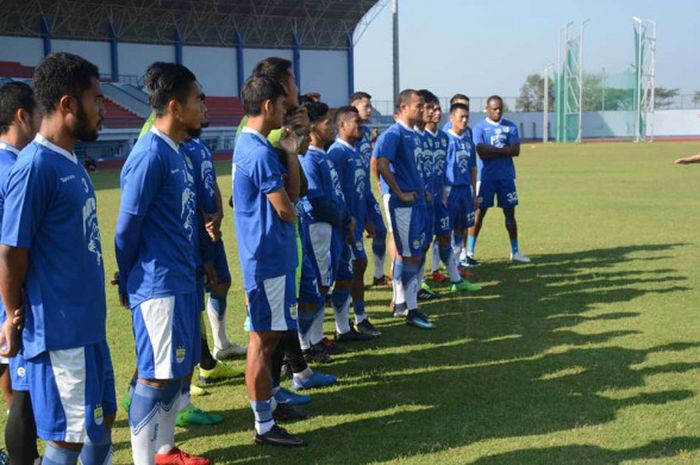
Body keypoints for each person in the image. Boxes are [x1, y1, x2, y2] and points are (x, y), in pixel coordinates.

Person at [0, 52, 116, 465]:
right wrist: (12, 314)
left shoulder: (69, 160)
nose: (103, 109)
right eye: (96, 100)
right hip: (60, 331)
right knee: (67, 440)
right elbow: (12, 250)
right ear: (67, 104)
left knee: (101, 426)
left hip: (89, 325)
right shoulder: (34, 166)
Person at [115, 62, 210, 465]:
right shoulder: (149, 155)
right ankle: (143, 460)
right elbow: (126, 229)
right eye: (197, 100)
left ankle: (166, 451)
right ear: (175, 106)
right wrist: (129, 278)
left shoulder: (177, 152)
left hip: (182, 280)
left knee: (174, 372)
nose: (204, 106)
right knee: (153, 375)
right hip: (158, 284)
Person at [233, 75, 305, 447]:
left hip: (273, 258)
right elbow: (286, 209)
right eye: (280, 106)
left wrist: (291, 152)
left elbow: (289, 195)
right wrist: (291, 209)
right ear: (267, 107)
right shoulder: (256, 151)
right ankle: (263, 425)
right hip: (265, 260)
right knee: (262, 341)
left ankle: (268, 412)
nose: (284, 113)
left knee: (271, 337)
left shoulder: (259, 146)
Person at [0, 81, 42, 465]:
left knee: (11, 379)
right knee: (25, 390)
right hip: (9, 294)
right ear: (22, 116)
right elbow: (12, 247)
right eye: (39, 112)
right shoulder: (17, 168)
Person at [297, 100, 359, 355]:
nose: (332, 127)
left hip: (333, 228)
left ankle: (317, 337)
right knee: (318, 285)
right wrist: (343, 219)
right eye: (326, 123)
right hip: (319, 227)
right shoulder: (309, 158)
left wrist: (347, 219)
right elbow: (318, 201)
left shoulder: (325, 156)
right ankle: (306, 343)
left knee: (327, 281)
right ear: (312, 127)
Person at [373, 89, 435, 329]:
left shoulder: (414, 135)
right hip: (404, 205)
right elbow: (381, 164)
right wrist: (398, 192)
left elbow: (412, 167)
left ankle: (401, 303)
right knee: (410, 255)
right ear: (404, 107)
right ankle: (411, 309)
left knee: (414, 253)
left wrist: (422, 189)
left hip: (417, 202)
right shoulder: (394, 134)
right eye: (418, 105)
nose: (422, 109)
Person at [328, 106, 381, 338]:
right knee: (351, 270)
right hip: (344, 226)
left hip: (357, 223)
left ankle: (353, 321)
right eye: (355, 123)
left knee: (357, 267)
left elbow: (362, 189)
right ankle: (350, 322)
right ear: (342, 126)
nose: (360, 126)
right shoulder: (337, 154)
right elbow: (335, 193)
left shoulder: (355, 153)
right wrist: (345, 224)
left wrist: (367, 218)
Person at [419, 91, 479, 293]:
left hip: (452, 193)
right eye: (432, 109)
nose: (436, 113)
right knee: (426, 240)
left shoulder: (444, 138)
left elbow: (471, 166)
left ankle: (456, 277)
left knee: (451, 233)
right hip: (438, 194)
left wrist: (473, 190)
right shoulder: (420, 138)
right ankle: (423, 280)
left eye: (437, 109)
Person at [471, 95, 530, 263]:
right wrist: (504, 150)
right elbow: (480, 150)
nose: (498, 111)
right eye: (494, 108)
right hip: (486, 178)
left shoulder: (510, 126)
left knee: (510, 214)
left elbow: (515, 150)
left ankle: (515, 252)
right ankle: (470, 251)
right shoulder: (479, 128)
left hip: (506, 177)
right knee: (479, 215)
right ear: (487, 109)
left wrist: (493, 151)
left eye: (500, 108)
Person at [350, 92, 390, 286]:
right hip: (352, 197)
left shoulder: (366, 132)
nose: (369, 109)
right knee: (350, 244)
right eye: (365, 106)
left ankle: (379, 275)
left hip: (366, 193)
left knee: (381, 231)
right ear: (354, 107)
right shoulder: (347, 136)